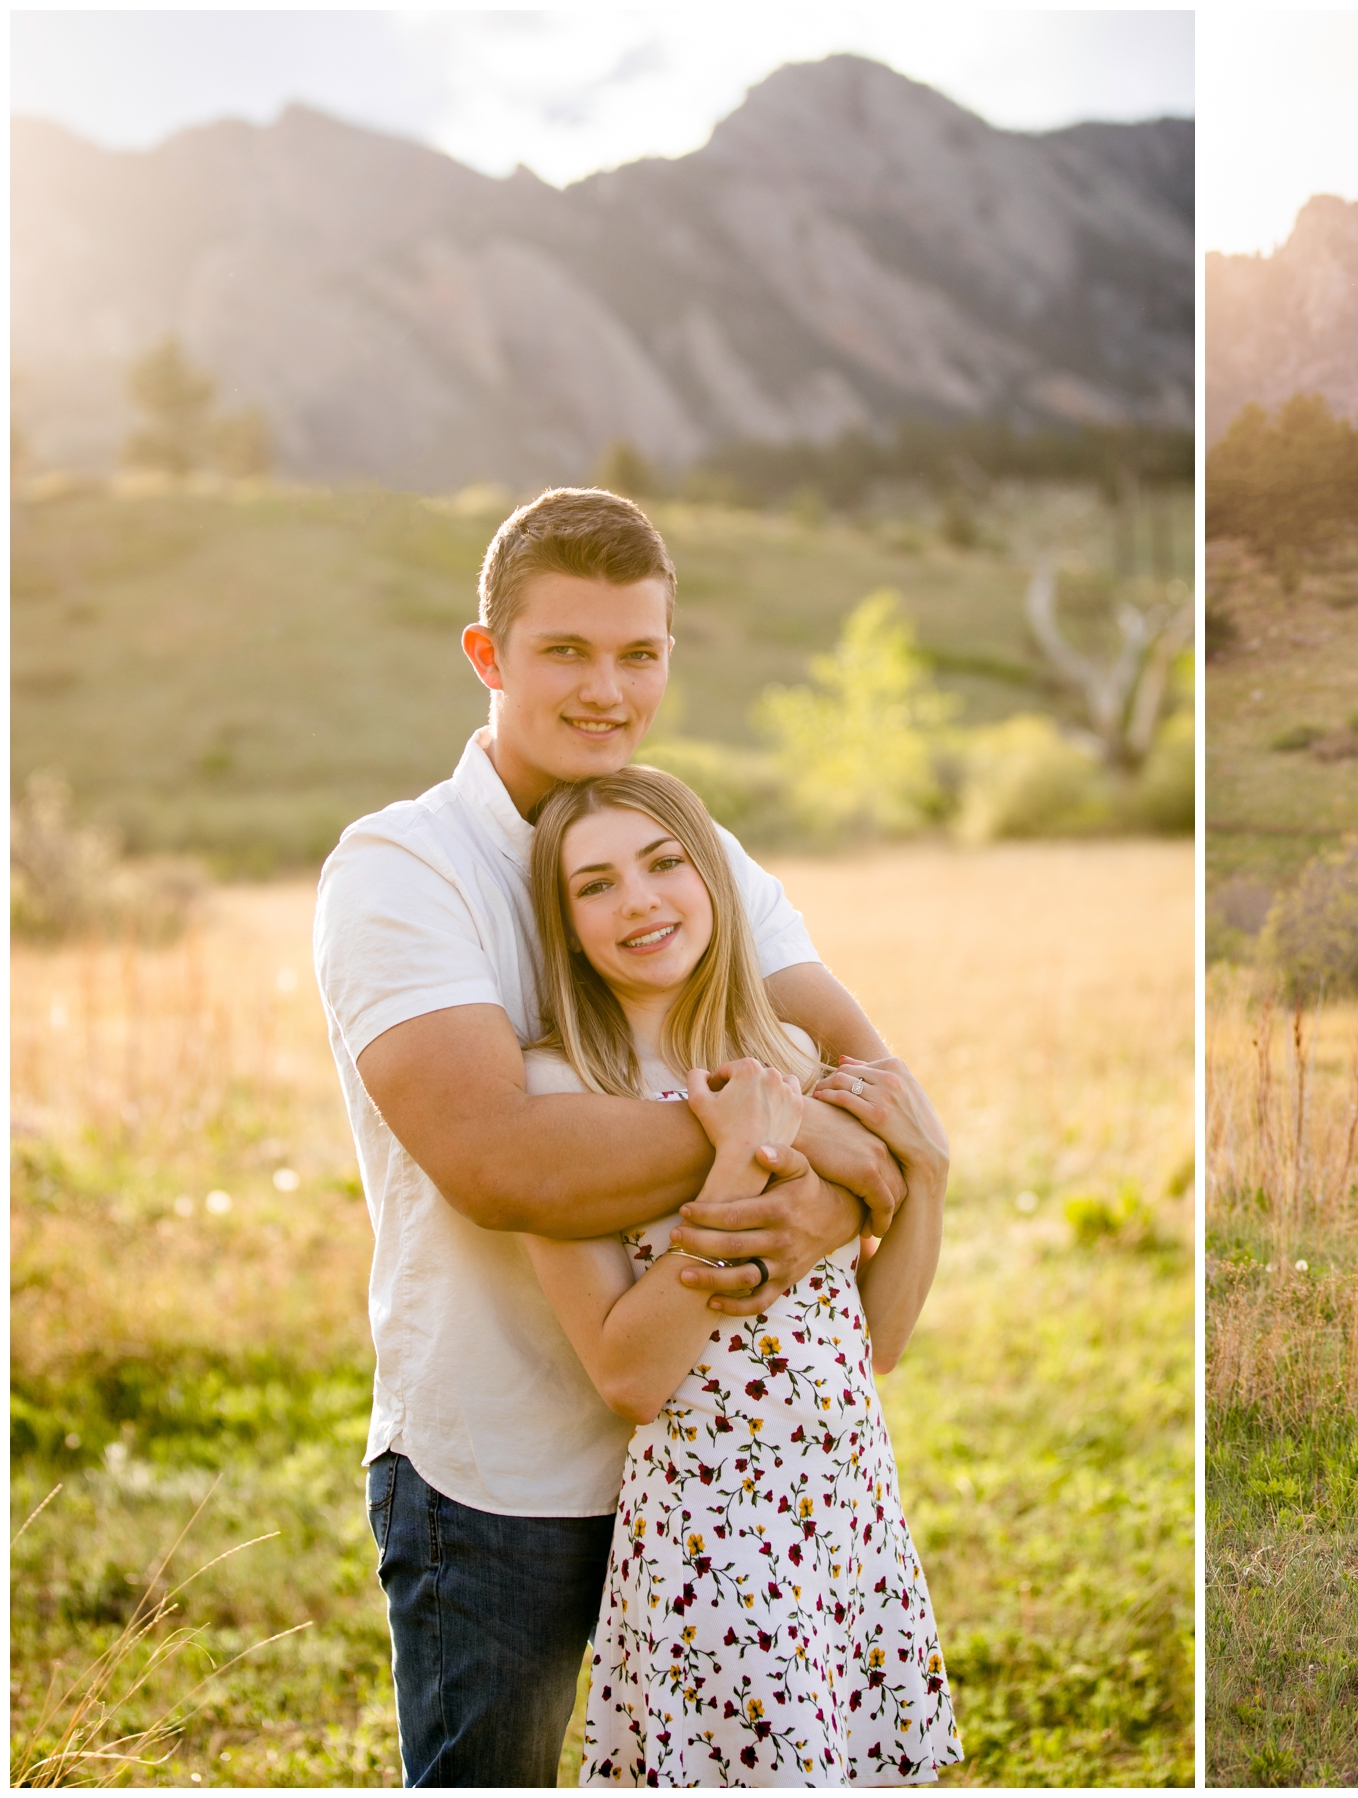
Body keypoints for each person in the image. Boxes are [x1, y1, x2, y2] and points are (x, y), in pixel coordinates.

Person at [312, 488, 936, 1785]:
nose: (608, 688)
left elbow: (874, 1094)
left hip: (730, 1480)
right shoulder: (401, 869)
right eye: (566, 650)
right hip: (506, 1476)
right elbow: (501, 1161)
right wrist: (769, 1132)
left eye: (639, 652)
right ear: (488, 657)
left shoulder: (688, 850)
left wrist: (823, 1169)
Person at [517, 766, 959, 1786]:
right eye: (596, 884)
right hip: (719, 1535)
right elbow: (629, 1377)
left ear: (712, 875)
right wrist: (729, 1160)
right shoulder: (560, 1085)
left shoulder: (788, 1051)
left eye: (665, 862)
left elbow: (874, 1343)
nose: (640, 900)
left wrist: (926, 1176)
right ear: (565, 921)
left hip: (848, 1510)